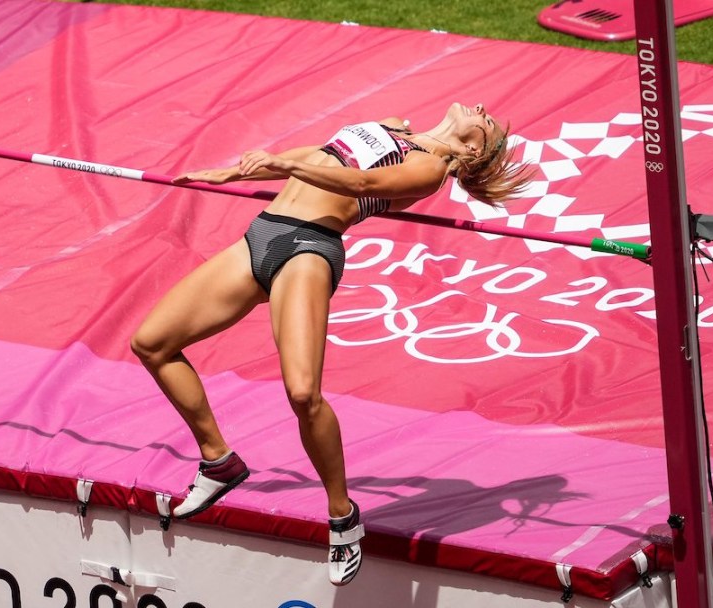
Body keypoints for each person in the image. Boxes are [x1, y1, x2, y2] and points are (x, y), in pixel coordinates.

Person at [130, 102, 532, 586]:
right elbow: (323, 155)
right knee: (152, 343)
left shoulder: (429, 168)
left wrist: (282, 165)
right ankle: (219, 460)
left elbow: (359, 184)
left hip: (308, 248)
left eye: (486, 123)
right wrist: (234, 173)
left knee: (303, 393)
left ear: (472, 150)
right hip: (264, 230)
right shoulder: (394, 124)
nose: (483, 110)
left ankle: (342, 518)